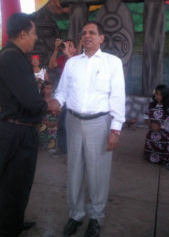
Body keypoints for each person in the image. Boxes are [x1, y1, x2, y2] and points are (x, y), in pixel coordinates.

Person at [53, 21, 125, 237]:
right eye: (84, 33)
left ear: (102, 38)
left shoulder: (113, 63)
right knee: (74, 170)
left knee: (98, 174)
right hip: (73, 122)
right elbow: (62, 92)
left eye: (92, 33)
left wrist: (115, 129)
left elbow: (118, 97)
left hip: (99, 124)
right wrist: (55, 102)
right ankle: (75, 215)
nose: (87, 36)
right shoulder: (72, 63)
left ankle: (96, 217)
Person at [0, 12, 59, 237]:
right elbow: (29, 100)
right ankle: (5, 232)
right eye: (33, 34)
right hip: (16, 131)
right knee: (12, 186)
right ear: (22, 34)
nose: (35, 38)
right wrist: (47, 105)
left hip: (20, 129)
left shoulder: (16, 56)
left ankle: (15, 222)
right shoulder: (12, 57)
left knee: (20, 184)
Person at [49, 39, 77, 155]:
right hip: (64, 96)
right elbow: (51, 65)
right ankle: (62, 149)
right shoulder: (63, 59)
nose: (67, 47)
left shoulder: (79, 58)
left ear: (75, 49)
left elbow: (77, 71)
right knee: (61, 123)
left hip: (74, 97)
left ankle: (72, 150)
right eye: (66, 45)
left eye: (70, 45)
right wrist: (56, 49)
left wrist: (68, 55)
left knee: (73, 127)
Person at [143, 84, 169, 165]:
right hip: (152, 137)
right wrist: (151, 125)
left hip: (165, 137)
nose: (158, 96)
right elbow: (145, 118)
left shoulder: (168, 107)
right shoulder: (151, 105)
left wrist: (161, 127)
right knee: (148, 157)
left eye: (161, 94)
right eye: (157, 94)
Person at [39, 81, 58, 154]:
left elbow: (59, 113)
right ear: (43, 90)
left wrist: (56, 122)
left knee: (55, 127)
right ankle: (44, 144)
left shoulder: (55, 100)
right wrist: (47, 122)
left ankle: (52, 145)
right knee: (43, 127)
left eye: (51, 88)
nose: (50, 90)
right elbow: (38, 115)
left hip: (54, 122)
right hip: (43, 122)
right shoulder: (40, 101)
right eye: (47, 88)